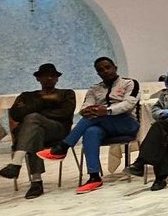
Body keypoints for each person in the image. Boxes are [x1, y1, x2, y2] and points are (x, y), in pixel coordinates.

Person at [39, 57, 139, 194]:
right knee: (91, 131)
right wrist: (85, 111)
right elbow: (86, 105)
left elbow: (128, 104)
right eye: (101, 70)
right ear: (98, 73)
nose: (105, 71)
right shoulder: (94, 89)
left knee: (96, 117)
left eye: (108, 67)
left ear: (115, 68)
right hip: (102, 125)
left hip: (127, 123)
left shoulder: (130, 83)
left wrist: (107, 111)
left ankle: (63, 147)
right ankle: (94, 177)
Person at [0, 63, 76, 199]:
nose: (49, 78)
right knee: (35, 132)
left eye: (52, 76)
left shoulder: (66, 94)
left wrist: (35, 109)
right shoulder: (26, 96)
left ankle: (16, 164)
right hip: (35, 133)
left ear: (57, 78)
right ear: (38, 78)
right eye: (45, 76)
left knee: (33, 118)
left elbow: (65, 113)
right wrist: (46, 103)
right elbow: (16, 114)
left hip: (58, 131)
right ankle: (36, 182)